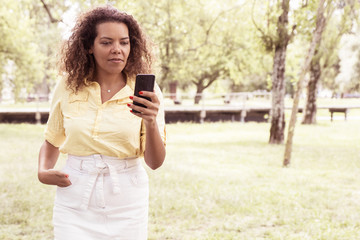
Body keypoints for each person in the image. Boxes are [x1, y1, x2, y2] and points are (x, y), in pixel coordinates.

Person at [37, 5, 166, 240]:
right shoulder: (68, 86)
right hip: (75, 194)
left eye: (124, 42)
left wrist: (151, 122)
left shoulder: (147, 91)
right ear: (89, 46)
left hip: (128, 199)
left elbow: (155, 163)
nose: (117, 50)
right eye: (106, 42)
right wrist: (43, 171)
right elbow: (52, 139)